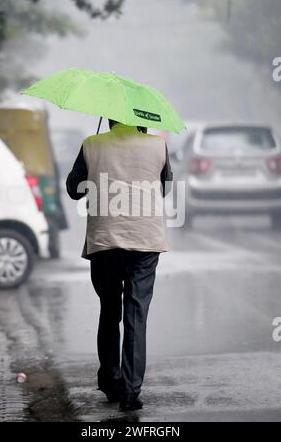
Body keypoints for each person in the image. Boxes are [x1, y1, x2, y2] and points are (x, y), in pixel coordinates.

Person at [66, 119, 173, 411]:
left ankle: (111, 381)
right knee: (136, 315)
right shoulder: (159, 145)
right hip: (145, 241)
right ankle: (130, 392)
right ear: (140, 120)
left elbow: (74, 190)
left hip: (104, 242)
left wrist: (96, 166)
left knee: (110, 309)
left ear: (110, 119)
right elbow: (164, 188)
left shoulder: (92, 144)